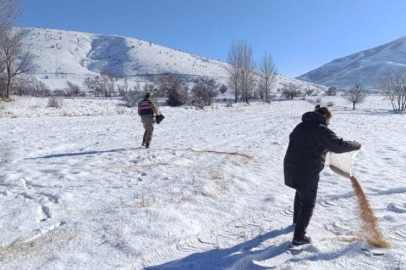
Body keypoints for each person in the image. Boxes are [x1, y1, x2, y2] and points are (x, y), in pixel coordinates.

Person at [284, 105, 361, 246]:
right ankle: (299, 237)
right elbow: (339, 145)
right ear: (326, 117)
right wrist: (356, 144)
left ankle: (297, 222)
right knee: (308, 203)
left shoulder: (301, 126)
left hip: (291, 168)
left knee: (300, 194)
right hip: (306, 171)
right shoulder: (320, 129)